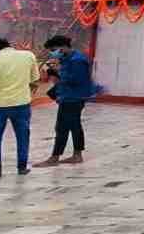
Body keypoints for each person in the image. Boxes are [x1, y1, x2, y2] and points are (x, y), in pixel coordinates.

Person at [32, 35, 97, 167]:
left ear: (63, 47)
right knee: (73, 125)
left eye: (54, 49)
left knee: (62, 127)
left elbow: (75, 80)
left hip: (73, 98)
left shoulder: (77, 60)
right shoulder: (65, 57)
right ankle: (76, 155)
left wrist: (58, 72)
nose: (53, 52)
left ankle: (55, 157)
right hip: (67, 96)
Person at [0, 37, 40, 178]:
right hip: (22, 104)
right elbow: (34, 78)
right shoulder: (28, 55)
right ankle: (22, 168)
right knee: (23, 136)